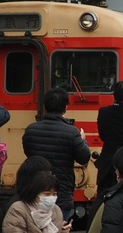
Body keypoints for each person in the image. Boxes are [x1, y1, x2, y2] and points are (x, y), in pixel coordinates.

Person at [22, 88, 93, 222]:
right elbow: (83, 157)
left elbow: (28, 152)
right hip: (61, 191)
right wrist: (83, 140)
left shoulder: (31, 130)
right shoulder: (72, 132)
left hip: (35, 190)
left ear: (45, 107)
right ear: (65, 108)